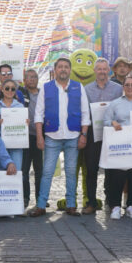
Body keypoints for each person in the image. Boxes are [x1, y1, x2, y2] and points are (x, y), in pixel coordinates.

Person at [28, 57, 90, 217]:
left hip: (73, 136)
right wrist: (39, 136)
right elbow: (39, 114)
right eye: (60, 67)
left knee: (70, 171)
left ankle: (71, 205)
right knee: (47, 171)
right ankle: (41, 205)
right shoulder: (46, 88)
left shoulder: (78, 87)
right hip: (51, 136)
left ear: (70, 70)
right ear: (55, 70)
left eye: (66, 67)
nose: (63, 69)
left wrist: (83, 135)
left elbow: (85, 113)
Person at [103, 75, 132, 220]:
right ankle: (115, 206)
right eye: (127, 85)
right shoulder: (115, 104)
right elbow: (105, 120)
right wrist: (113, 123)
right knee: (118, 176)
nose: (130, 87)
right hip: (119, 144)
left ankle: (130, 205)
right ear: (123, 87)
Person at [83, 58, 123, 214]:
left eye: (104, 69)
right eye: (98, 69)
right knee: (91, 169)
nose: (101, 71)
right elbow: (84, 113)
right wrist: (84, 134)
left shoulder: (118, 89)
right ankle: (91, 203)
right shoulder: (86, 89)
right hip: (93, 133)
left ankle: (112, 202)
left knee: (112, 169)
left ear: (109, 71)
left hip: (111, 133)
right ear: (94, 71)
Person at [0, 78, 26, 170]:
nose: (10, 91)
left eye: (13, 89)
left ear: (15, 91)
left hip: (16, 143)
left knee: (16, 171)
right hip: (0, 143)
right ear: (2, 89)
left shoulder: (20, 106)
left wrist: (26, 124)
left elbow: (23, 128)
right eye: (7, 88)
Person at [20, 69, 43, 208]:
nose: (32, 79)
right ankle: (25, 198)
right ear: (24, 80)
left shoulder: (43, 94)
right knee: (24, 169)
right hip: (25, 136)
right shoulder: (20, 93)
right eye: (29, 77)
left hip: (40, 136)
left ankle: (41, 198)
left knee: (40, 170)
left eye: (35, 77)